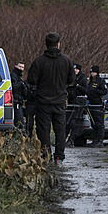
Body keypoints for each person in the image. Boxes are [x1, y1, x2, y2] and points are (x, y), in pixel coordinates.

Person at [27, 32, 75, 164]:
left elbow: (31, 80)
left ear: (46, 44)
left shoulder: (39, 61)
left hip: (43, 101)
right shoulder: (66, 61)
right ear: (58, 44)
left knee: (43, 130)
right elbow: (72, 79)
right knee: (60, 130)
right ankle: (59, 157)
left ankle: (45, 155)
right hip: (59, 101)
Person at [80, 65, 107, 148]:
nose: (92, 74)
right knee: (94, 124)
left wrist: (96, 91)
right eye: (91, 72)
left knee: (99, 124)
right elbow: (87, 91)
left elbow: (104, 91)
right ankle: (95, 140)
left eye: (94, 72)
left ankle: (100, 141)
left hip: (98, 105)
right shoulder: (89, 82)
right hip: (91, 104)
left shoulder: (100, 81)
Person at [66, 63, 88, 147]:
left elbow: (86, 90)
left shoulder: (82, 79)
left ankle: (71, 140)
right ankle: (62, 140)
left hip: (79, 103)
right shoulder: (70, 77)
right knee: (67, 122)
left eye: (77, 69)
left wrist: (77, 86)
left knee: (75, 123)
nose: (75, 70)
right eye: (74, 69)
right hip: (70, 102)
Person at [10, 61, 27, 131]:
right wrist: (21, 85)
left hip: (19, 101)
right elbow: (14, 87)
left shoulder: (19, 77)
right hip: (16, 101)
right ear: (16, 66)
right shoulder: (13, 76)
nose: (21, 69)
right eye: (20, 66)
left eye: (22, 67)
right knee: (20, 121)